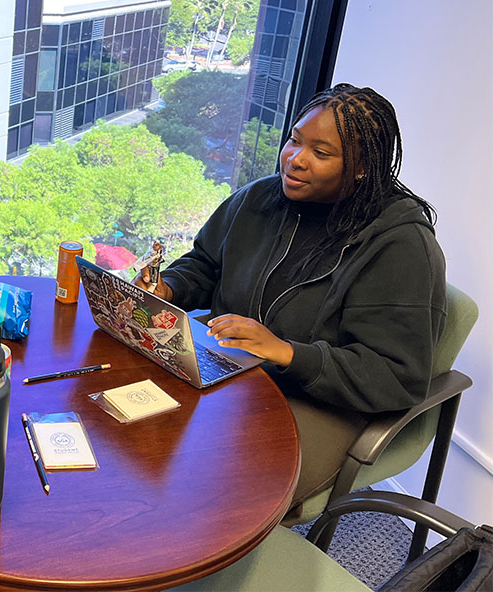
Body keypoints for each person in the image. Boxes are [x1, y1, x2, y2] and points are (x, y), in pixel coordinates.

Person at [136, 84, 446, 519]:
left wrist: (286, 353)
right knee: (139, 434)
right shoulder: (261, 199)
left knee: (203, 489)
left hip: (319, 402)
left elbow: (397, 376)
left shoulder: (400, 246)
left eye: (321, 152)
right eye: (296, 140)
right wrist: (168, 288)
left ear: (361, 167)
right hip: (232, 366)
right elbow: (207, 263)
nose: (296, 159)